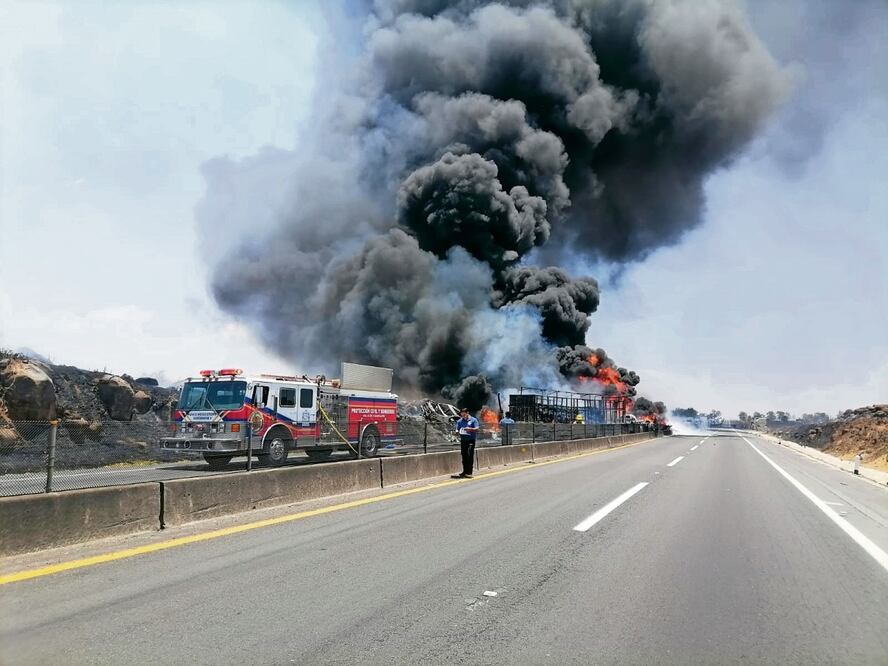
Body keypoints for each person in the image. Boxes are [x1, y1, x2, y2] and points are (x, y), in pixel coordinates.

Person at [452, 407, 480, 479]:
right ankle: (464, 471)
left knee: (469, 455)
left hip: (471, 440)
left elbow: (477, 429)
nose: (463, 416)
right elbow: (457, 429)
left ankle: (469, 472)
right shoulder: (459, 421)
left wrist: (470, 429)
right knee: (464, 456)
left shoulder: (473, 420)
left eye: (464, 415)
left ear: (467, 413)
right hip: (463, 440)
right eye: (462, 415)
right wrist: (456, 432)